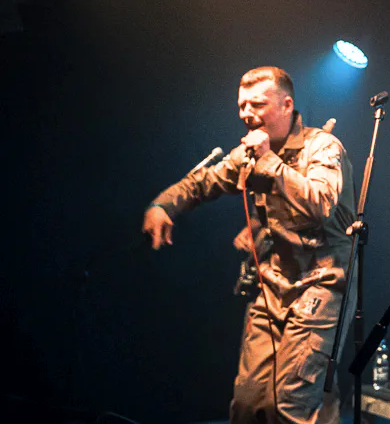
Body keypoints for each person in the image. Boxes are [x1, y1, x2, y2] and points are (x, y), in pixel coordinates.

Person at [142, 66, 355, 424]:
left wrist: (269, 161)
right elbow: (203, 182)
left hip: (321, 286)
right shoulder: (248, 155)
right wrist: (163, 205)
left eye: (257, 104)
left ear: (286, 105)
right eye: (242, 105)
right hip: (272, 285)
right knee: (247, 403)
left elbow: (320, 204)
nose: (246, 113)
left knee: (290, 404)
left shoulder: (322, 147)